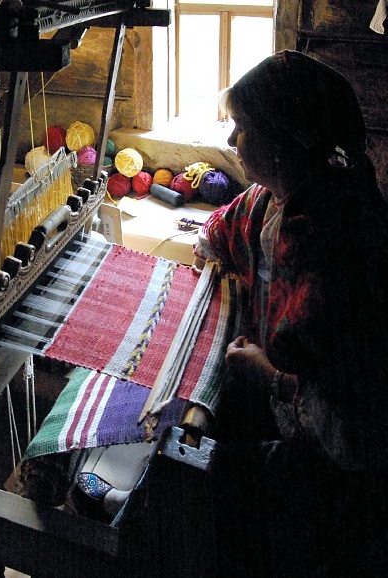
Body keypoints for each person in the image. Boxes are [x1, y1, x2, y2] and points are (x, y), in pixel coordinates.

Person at [193, 50, 388, 576]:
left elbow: (356, 424)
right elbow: (215, 233)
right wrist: (216, 263)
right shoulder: (276, 198)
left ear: (286, 140)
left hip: (342, 471)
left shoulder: (337, 238)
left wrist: (272, 379)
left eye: (243, 129)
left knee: (206, 484)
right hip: (299, 426)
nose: (234, 143)